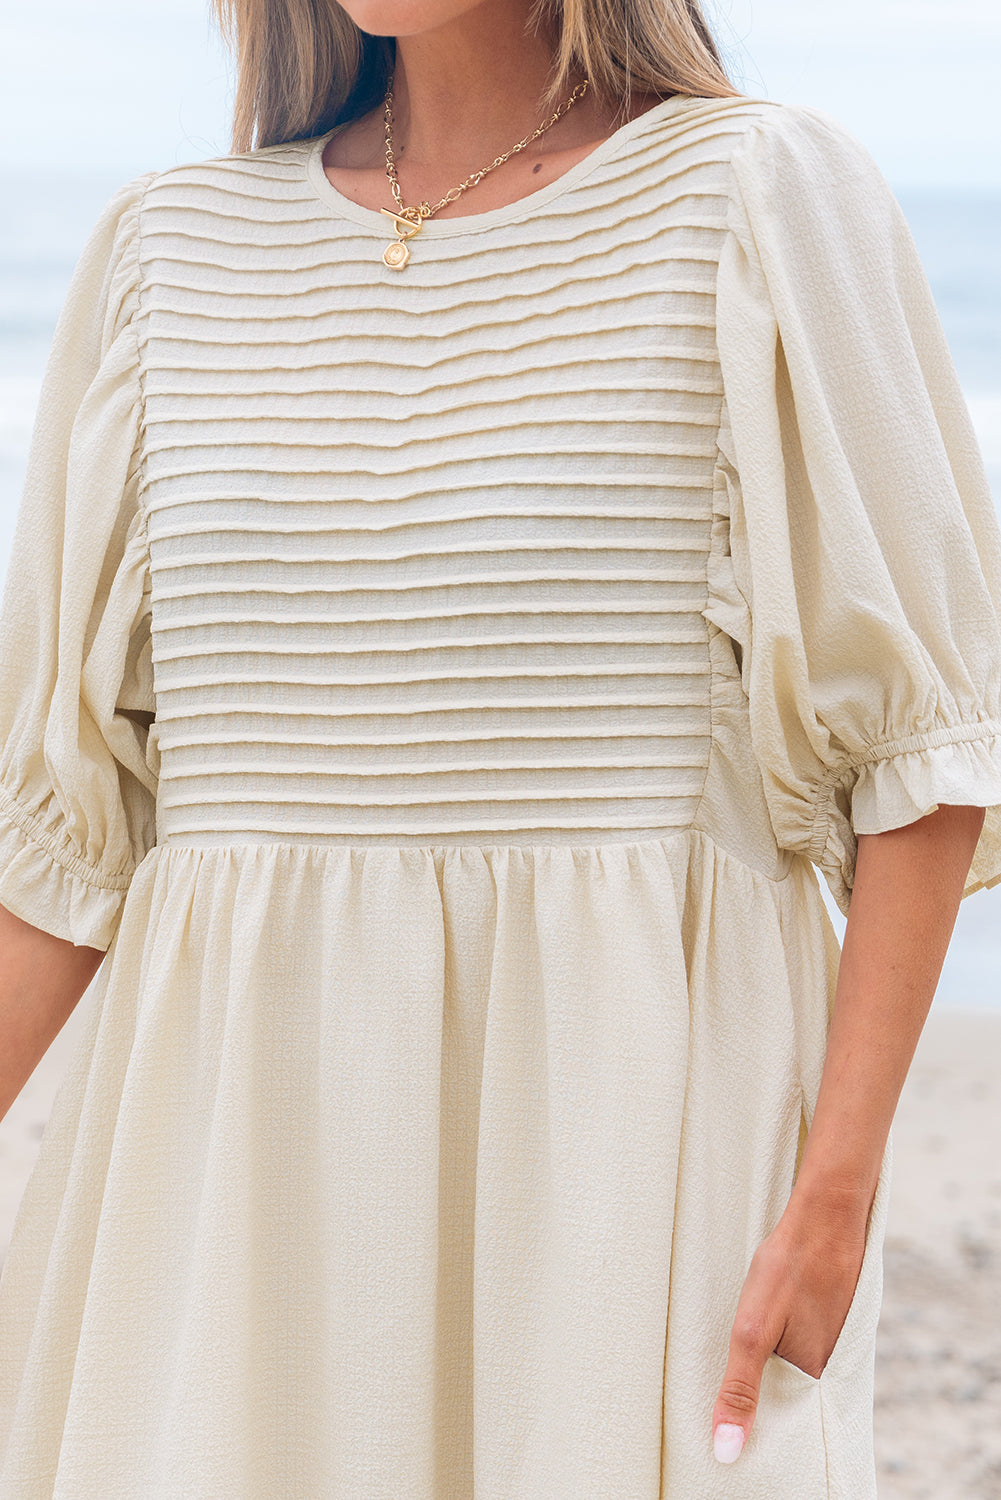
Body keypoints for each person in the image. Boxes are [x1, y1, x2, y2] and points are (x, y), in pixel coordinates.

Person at [0, 0, 999, 1493]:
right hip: (229, 1172)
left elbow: (920, 751)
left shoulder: (755, 197)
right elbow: (69, 838)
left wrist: (836, 1195)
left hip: (627, 1160)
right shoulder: (167, 254)